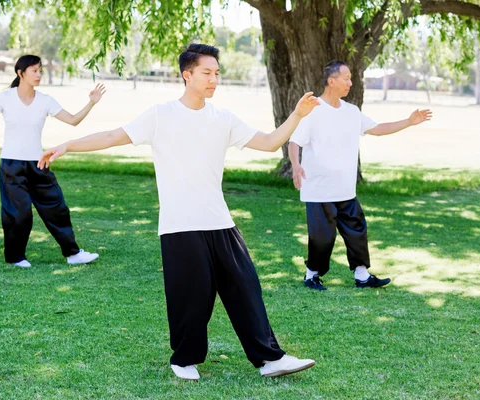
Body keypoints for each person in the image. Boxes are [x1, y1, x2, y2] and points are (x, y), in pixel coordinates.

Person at [38, 44, 320, 380]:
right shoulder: (161, 115)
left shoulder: (224, 118)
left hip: (220, 221)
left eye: (217, 73)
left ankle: (270, 359)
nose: (214, 78)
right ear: (187, 74)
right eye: (207, 72)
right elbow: (114, 136)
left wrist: (298, 115)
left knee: (245, 287)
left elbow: (271, 142)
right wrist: (68, 144)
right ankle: (184, 360)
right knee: (191, 296)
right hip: (179, 225)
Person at [288, 60, 432, 291]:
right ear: (331, 81)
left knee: (357, 231)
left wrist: (408, 122)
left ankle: (362, 275)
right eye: (346, 78)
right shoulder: (313, 110)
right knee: (322, 237)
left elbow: (377, 128)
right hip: (318, 188)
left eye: (351, 78)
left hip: (345, 188)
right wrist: (296, 165)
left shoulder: (351, 112)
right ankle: (312, 275)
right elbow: (294, 141)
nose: (350, 82)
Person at [0, 54, 102, 268]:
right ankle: (16, 257)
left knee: (57, 209)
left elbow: (73, 120)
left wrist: (91, 103)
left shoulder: (45, 100)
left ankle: (73, 253)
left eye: (40, 70)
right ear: (20, 73)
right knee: (18, 214)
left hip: (39, 163)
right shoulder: (5, 98)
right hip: (12, 165)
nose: (39, 74)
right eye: (34, 70)